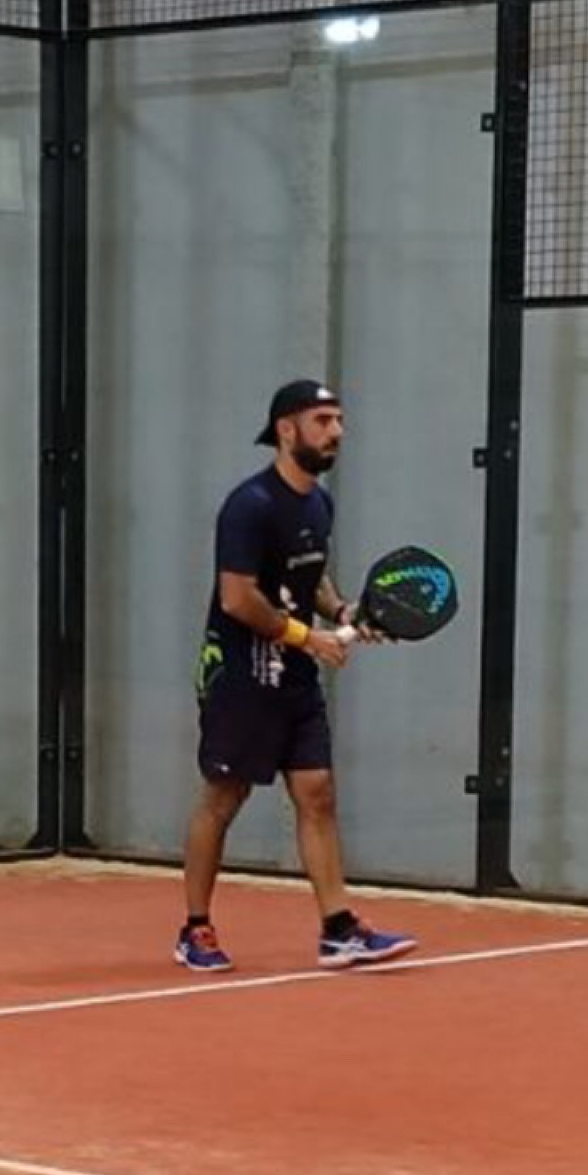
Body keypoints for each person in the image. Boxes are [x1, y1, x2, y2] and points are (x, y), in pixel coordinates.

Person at [176, 378, 416, 973]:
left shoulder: (318, 504)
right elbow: (238, 598)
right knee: (223, 797)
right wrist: (310, 638)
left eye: (339, 421)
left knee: (317, 793)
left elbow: (311, 575)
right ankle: (195, 929)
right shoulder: (249, 506)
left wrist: (343, 612)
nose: (337, 432)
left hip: (296, 680)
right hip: (241, 676)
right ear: (287, 430)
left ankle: (338, 929)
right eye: (323, 421)